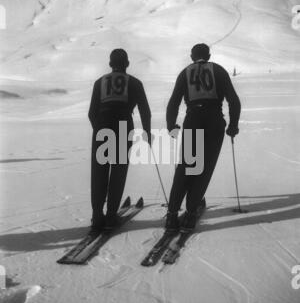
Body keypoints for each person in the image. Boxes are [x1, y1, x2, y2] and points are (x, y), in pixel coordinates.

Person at [165, 43, 241, 232]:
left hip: (193, 119)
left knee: (186, 167)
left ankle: (172, 215)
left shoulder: (185, 73)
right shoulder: (219, 71)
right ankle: (191, 215)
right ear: (208, 55)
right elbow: (234, 100)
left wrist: (171, 125)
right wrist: (233, 125)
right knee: (204, 169)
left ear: (192, 57)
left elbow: (173, 103)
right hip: (214, 121)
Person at [88, 49, 152, 231]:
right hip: (124, 127)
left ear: (110, 64)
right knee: (118, 172)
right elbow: (145, 111)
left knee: (98, 172)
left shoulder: (99, 82)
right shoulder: (135, 83)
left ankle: (97, 216)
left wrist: (100, 130)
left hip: (102, 126)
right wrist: (146, 132)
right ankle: (110, 216)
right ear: (127, 64)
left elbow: (91, 112)